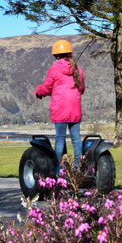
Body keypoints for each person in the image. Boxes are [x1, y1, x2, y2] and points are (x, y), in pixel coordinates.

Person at [34, 39, 85, 169]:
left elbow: (46, 88)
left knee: (60, 138)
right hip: (75, 108)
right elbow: (82, 89)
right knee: (76, 139)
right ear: (70, 54)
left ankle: (58, 169)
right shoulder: (78, 69)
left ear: (56, 55)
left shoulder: (54, 69)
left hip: (60, 109)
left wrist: (38, 91)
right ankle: (77, 169)